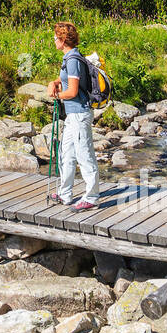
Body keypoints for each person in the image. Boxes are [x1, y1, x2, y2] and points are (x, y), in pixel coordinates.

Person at [46, 21, 100, 210]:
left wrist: (56, 95)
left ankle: (92, 197)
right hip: (72, 116)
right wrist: (55, 82)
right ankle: (64, 194)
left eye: (55, 38)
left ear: (62, 40)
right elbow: (66, 80)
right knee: (66, 154)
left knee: (84, 155)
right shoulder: (70, 57)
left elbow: (73, 92)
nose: (54, 41)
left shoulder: (73, 60)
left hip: (79, 114)